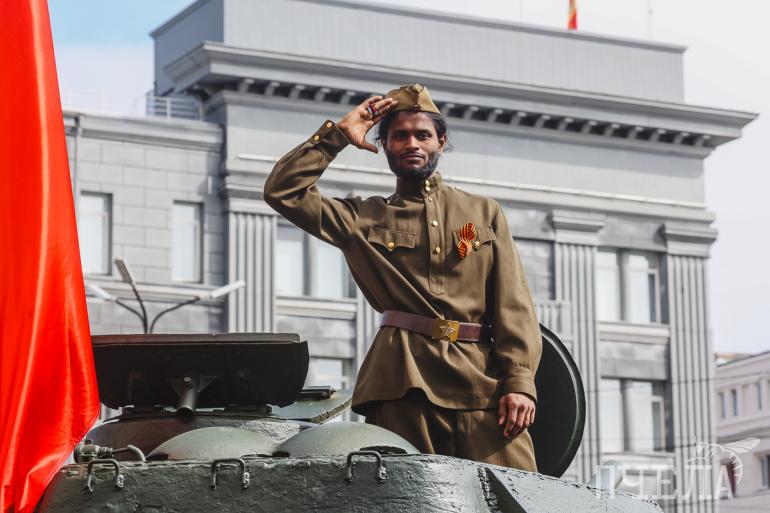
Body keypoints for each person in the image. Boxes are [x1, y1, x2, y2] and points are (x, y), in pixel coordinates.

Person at [264, 84, 542, 470]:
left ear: (440, 142)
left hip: (483, 383)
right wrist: (338, 135)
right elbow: (283, 191)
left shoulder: (483, 212)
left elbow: (514, 305)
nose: (412, 143)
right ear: (384, 146)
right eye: (399, 136)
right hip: (403, 384)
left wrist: (520, 383)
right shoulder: (363, 218)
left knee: (516, 490)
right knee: (404, 493)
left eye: (422, 135)